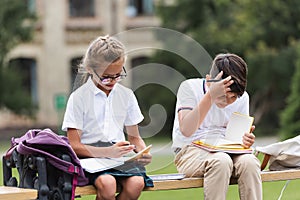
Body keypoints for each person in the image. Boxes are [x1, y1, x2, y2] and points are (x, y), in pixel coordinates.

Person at [62, 35, 153, 200]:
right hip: (90, 158)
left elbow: (135, 138)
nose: (112, 81)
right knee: (108, 185)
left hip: (119, 158)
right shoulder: (79, 98)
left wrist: (142, 152)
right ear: (90, 69)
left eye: (118, 75)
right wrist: (107, 151)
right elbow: (74, 145)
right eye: (106, 76)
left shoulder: (126, 95)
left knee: (136, 184)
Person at [172, 53, 262, 200]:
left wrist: (245, 141)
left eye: (233, 97)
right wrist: (211, 96)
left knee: (250, 162)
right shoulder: (189, 87)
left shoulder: (242, 97)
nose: (227, 101)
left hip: (228, 150)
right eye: (223, 95)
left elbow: (235, 139)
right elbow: (186, 130)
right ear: (209, 80)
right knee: (220, 161)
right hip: (190, 151)